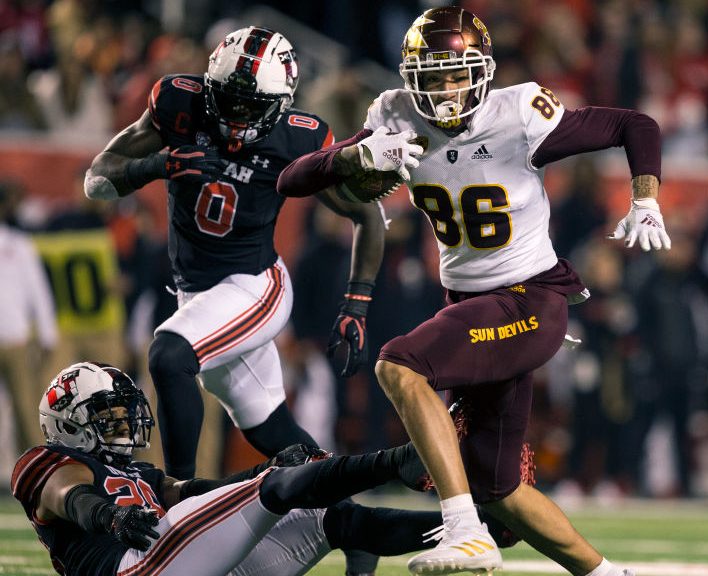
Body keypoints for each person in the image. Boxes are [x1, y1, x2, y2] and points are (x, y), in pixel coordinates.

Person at [278, 7, 670, 575]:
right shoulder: (394, 115)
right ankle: (609, 573)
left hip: (528, 301)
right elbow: (294, 179)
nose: (443, 88)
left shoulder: (518, 113)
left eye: (456, 73)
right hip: (470, 306)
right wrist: (356, 155)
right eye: (431, 75)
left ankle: (463, 532)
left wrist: (645, 198)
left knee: (399, 366)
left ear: (482, 70)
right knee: (500, 484)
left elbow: (635, 125)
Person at [81, 25, 422, 574]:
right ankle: (354, 524)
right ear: (211, 85)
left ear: (281, 103)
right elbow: (96, 181)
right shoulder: (178, 103)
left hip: (254, 288)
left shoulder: (298, 138)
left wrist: (356, 304)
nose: (237, 115)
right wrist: (156, 166)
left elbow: (366, 215)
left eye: (252, 104)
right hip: (197, 293)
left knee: (169, 354)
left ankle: (176, 499)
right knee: (271, 431)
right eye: (230, 99)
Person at [11, 361, 517, 576]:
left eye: (124, 414)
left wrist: (261, 468)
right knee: (275, 490)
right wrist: (113, 519)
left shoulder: (140, 475)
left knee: (323, 515)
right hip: (130, 568)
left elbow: (199, 493)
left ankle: (480, 529)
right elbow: (69, 497)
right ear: (68, 423)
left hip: (179, 560)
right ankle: (399, 461)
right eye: (107, 417)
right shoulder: (47, 462)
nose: (122, 426)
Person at [0, 180, 58, 456]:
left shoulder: (20, 244)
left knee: (26, 410)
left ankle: (33, 475)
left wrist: (48, 333)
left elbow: (38, 290)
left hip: (16, 338)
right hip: (16, 336)